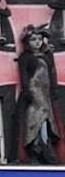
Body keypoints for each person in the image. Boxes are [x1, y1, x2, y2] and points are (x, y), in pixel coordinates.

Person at [18, 24, 61, 164]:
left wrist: (54, 88)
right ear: (27, 42)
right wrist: (26, 91)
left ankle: (44, 142)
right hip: (34, 90)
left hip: (45, 91)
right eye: (33, 39)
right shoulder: (25, 57)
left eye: (39, 39)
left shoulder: (47, 55)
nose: (37, 42)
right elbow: (24, 75)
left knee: (46, 117)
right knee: (36, 116)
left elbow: (52, 72)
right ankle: (36, 143)